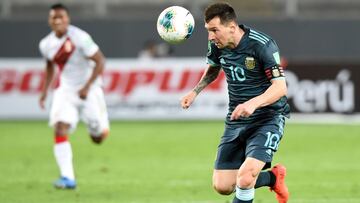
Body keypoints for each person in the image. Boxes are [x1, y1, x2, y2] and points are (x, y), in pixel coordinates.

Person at [181, 2, 290, 203]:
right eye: (208, 31)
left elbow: (280, 87)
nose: (211, 36)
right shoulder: (217, 45)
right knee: (223, 186)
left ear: (232, 28)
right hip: (237, 118)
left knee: (246, 176)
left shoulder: (262, 45)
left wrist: (253, 104)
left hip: (268, 118)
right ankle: (273, 178)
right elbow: (213, 68)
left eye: (214, 30)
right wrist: (195, 91)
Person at [38, 3, 110, 189]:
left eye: (61, 17)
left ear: (67, 19)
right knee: (59, 127)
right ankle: (68, 178)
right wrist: (45, 91)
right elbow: (49, 66)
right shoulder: (46, 44)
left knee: (98, 139)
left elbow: (100, 60)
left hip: (90, 89)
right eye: (54, 17)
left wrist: (87, 86)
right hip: (66, 90)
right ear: (49, 20)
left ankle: (99, 128)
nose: (58, 20)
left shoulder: (80, 37)